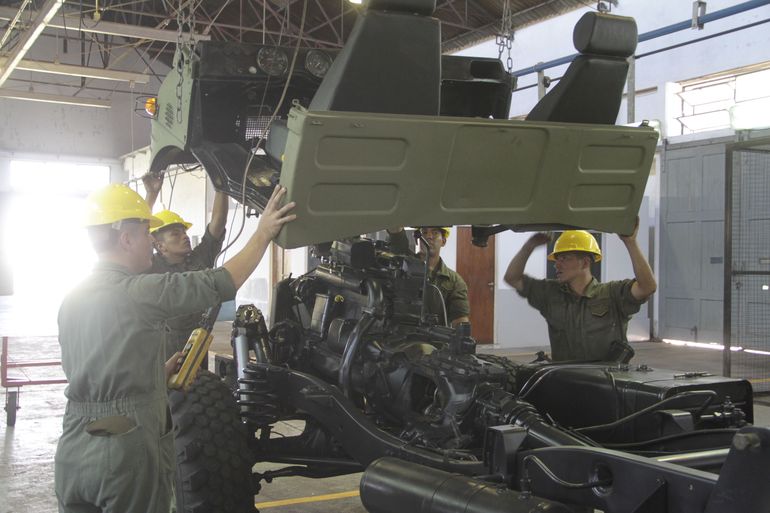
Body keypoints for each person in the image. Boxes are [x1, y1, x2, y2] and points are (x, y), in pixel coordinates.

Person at [54, 183, 295, 513]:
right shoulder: (138, 293)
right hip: (124, 447)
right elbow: (220, 283)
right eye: (145, 234)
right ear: (126, 239)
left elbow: (100, 362)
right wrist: (263, 233)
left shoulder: (72, 299)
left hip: (73, 444)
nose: (150, 242)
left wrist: (154, 375)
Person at [503, 220, 656, 361]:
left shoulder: (612, 294)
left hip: (606, 379)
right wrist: (528, 247)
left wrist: (630, 242)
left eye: (565, 258)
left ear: (585, 263)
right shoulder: (550, 294)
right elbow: (512, 278)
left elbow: (647, 287)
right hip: (564, 378)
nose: (557, 265)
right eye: (557, 259)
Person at [142, 172, 230, 364]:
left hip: (196, 349)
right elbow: (139, 231)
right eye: (176, 234)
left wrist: (221, 186)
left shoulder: (198, 259)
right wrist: (151, 195)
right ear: (159, 245)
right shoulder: (150, 267)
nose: (185, 236)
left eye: (184, 232)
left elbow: (218, 222)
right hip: (163, 354)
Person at [388, 226, 470, 327]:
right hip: (399, 334)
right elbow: (396, 234)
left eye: (435, 233)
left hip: (434, 336)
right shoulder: (404, 264)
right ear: (417, 239)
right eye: (425, 232)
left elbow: (460, 319)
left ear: (443, 241)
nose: (429, 236)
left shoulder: (455, 281)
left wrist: (461, 333)